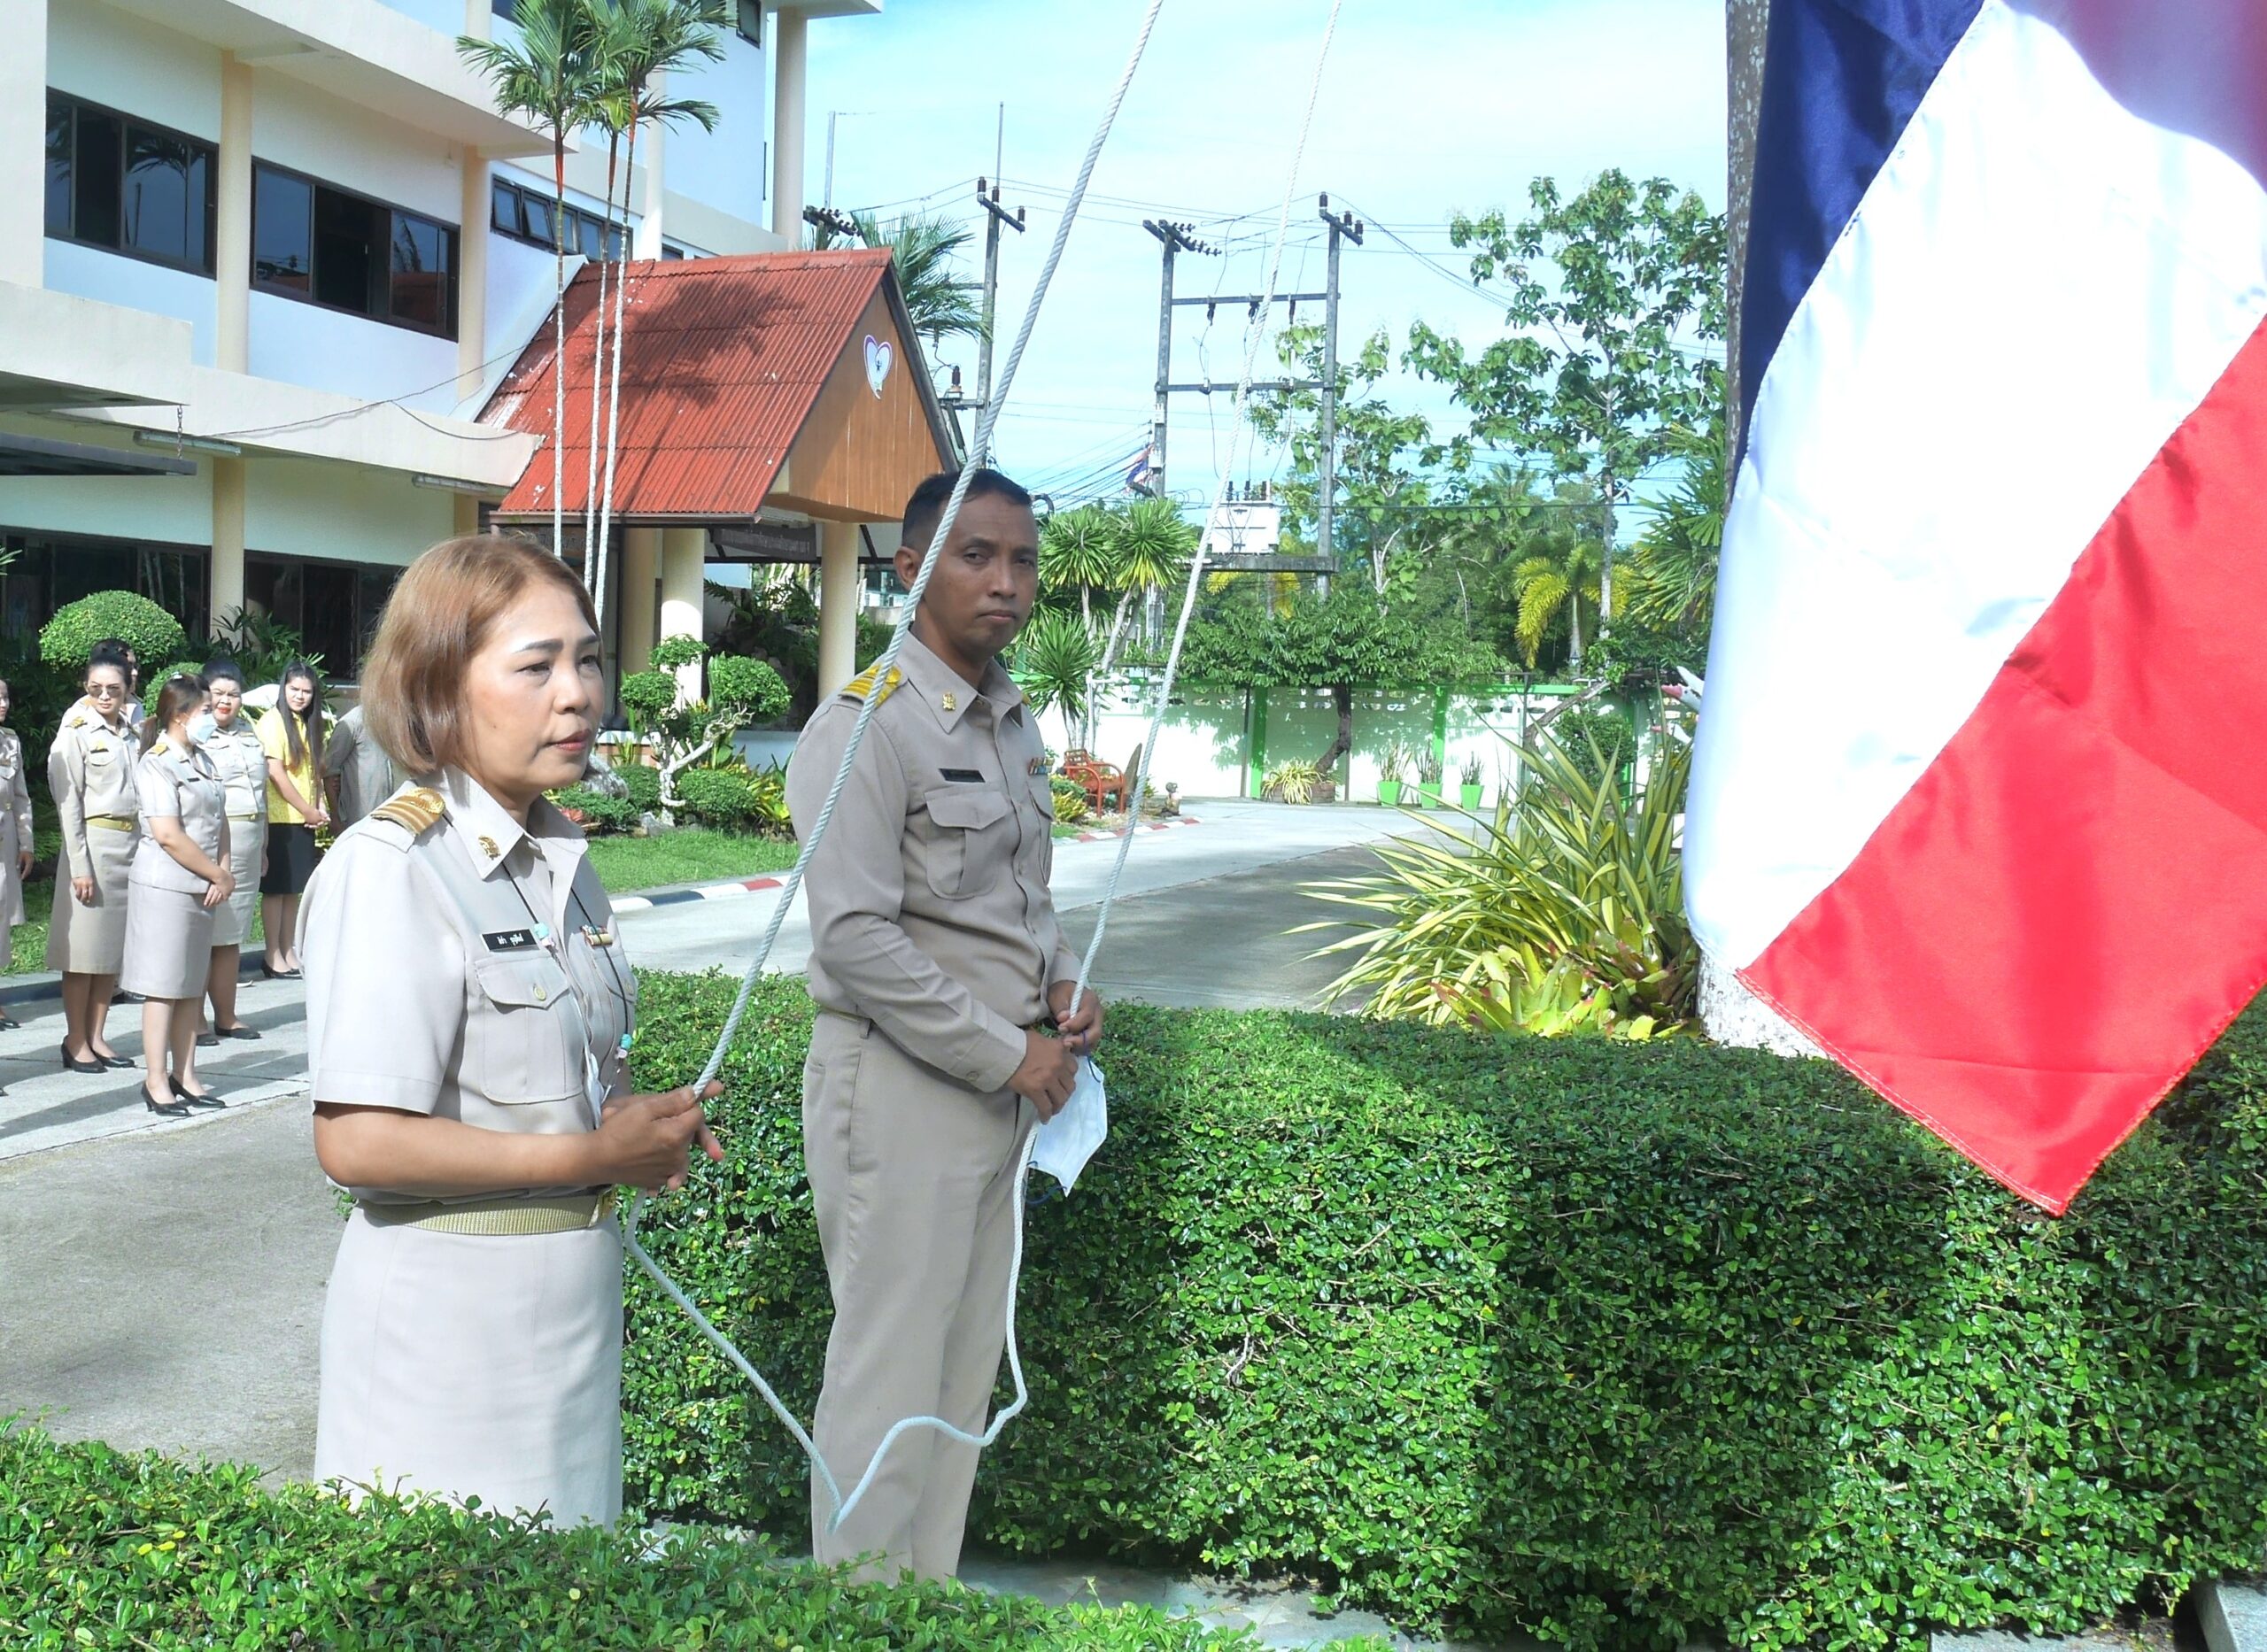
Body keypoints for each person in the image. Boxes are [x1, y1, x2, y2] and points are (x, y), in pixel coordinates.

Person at [300, 532, 723, 1527]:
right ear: (437, 690)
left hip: (571, 1318)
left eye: (588, 660)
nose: (577, 695)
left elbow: (573, 1078)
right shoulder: (394, 868)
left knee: (571, 1586)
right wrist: (592, 1154)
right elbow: (357, 1143)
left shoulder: (561, 861)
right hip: (447, 1334)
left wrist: (630, 1126)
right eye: (535, 667)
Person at [785, 467, 1103, 1581]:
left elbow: (1023, 901)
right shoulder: (864, 727)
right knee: (887, 1376)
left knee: (962, 1376)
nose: (1005, 582)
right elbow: (855, 940)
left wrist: (1062, 986)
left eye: (1022, 561)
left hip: (1007, 1089)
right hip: (905, 1087)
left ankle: (922, 1607)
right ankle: (855, 1620)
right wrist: (1008, 1052)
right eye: (976, 556)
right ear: (912, 569)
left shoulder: (1012, 721)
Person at [122, 675, 233, 1117]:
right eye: (205, 710)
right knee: (163, 987)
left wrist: (223, 871)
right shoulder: (157, 763)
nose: (213, 715)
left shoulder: (203, 758)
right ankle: (155, 1079)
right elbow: (168, 835)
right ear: (181, 715)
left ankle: (185, 1074)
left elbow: (219, 820)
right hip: (166, 886)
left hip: (202, 887)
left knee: (190, 986)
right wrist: (215, 873)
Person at [48, 652, 140, 1073]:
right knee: (84, 953)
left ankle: (98, 1035)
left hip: (129, 846)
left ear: (127, 690)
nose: (104, 696)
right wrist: (79, 865)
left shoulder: (132, 733)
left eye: (113, 689)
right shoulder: (76, 732)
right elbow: (68, 805)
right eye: (95, 689)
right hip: (93, 846)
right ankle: (75, 1039)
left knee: (111, 952)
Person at [198, 660, 267, 1046]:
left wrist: (264, 846)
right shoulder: (196, 733)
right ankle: (193, 1019)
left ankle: (226, 1015)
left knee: (231, 935)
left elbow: (261, 794)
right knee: (203, 934)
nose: (226, 701)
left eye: (234, 694)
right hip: (213, 843)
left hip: (249, 841)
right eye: (218, 694)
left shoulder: (249, 732)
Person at [257, 660, 329, 978]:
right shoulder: (272, 722)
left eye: (306, 691)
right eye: (294, 689)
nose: (299, 696)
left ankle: (288, 949)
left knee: (293, 890)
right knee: (276, 889)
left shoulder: (308, 724)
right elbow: (276, 773)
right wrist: (306, 809)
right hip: (280, 817)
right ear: (283, 688)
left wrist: (318, 806)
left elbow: (314, 772)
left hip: (302, 818)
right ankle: (272, 954)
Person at [0, 676, 32, 1036]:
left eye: (6, 697)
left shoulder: (10, 740)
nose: (3, 704)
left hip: (5, 839)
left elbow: (20, 797)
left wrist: (27, 843)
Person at [321, 701, 403, 830]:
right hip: (357, 819)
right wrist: (335, 816)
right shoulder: (351, 723)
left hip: (387, 814)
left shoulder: (389, 721)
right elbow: (329, 772)